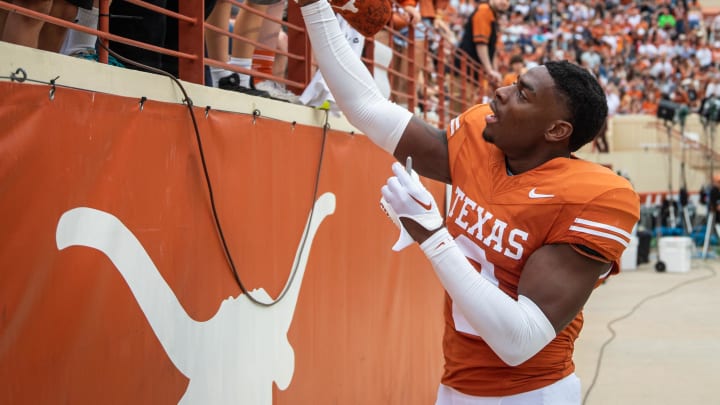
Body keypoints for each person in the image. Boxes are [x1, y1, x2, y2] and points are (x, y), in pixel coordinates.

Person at [297, 0, 641, 403]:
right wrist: (313, 6)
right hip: (456, 382)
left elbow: (519, 339)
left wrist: (433, 236)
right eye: (515, 82)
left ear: (557, 130)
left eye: (523, 95)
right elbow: (367, 108)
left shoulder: (593, 198)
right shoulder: (481, 142)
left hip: (530, 393)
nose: (501, 91)